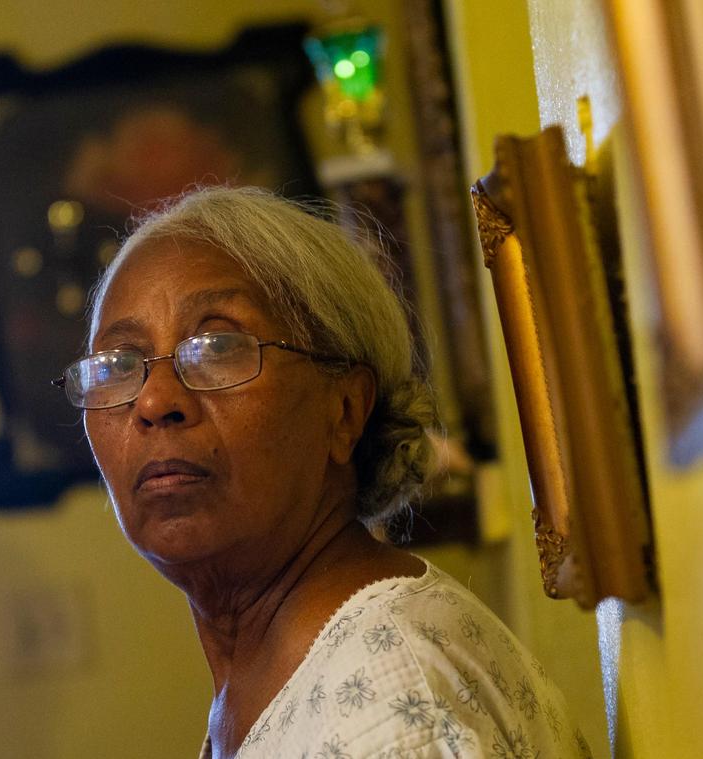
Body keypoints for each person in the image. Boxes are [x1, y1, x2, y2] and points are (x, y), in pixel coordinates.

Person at [53, 186, 590, 758]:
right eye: (117, 364)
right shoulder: (276, 676)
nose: (156, 401)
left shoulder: (392, 702)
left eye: (217, 346)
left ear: (345, 411)